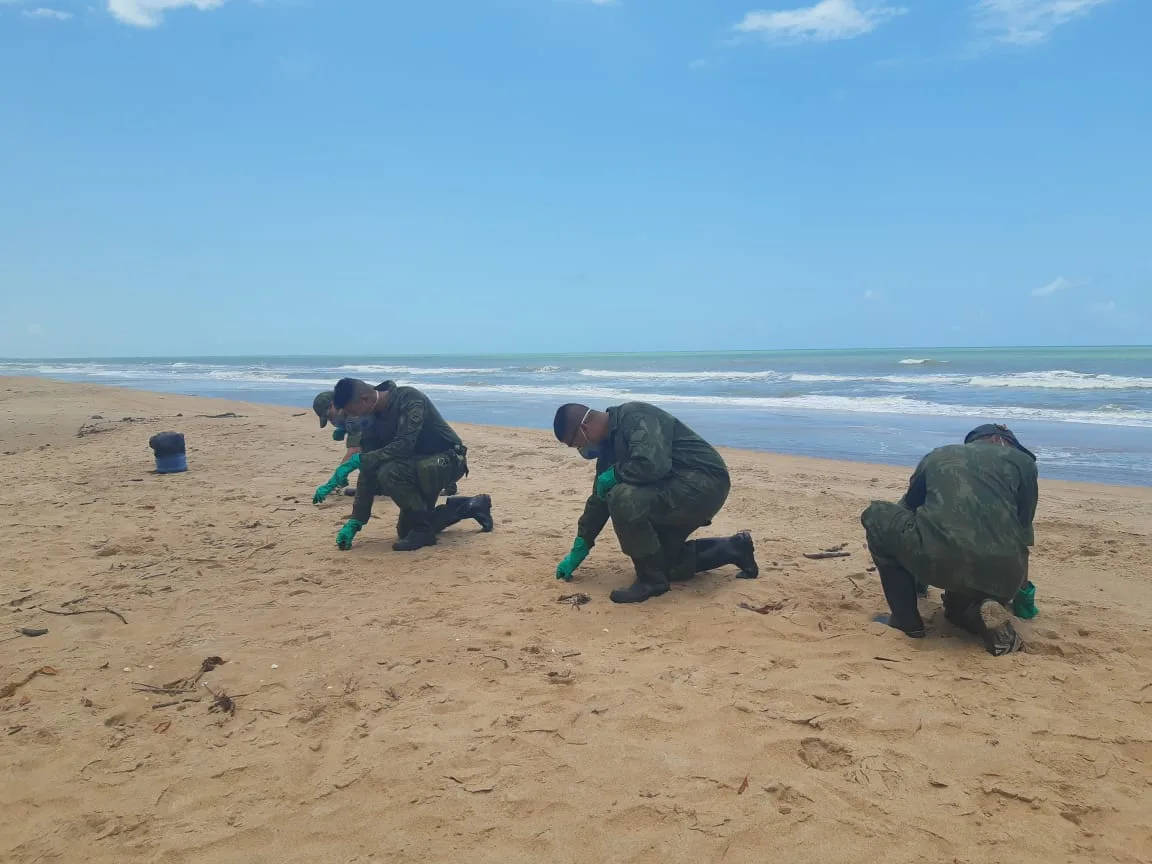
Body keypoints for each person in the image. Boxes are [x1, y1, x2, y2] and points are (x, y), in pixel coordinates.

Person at [552, 401, 758, 604]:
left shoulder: (635, 416)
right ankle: (734, 548)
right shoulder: (608, 447)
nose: (580, 450)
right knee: (664, 564)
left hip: (703, 482)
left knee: (623, 498)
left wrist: (615, 474)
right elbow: (599, 498)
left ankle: (650, 581)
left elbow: (652, 465)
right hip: (674, 487)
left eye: (576, 443)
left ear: (584, 427)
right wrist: (581, 545)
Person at [860, 423, 1039, 656]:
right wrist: (1020, 590)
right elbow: (1023, 527)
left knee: (878, 515)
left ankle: (907, 622)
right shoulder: (1024, 463)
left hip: (940, 561)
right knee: (955, 612)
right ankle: (981, 614)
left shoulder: (940, 455)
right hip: (1005, 575)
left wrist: (913, 570)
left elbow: (908, 508)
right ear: (1000, 440)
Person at [316, 378, 493, 552]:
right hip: (417, 466)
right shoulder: (371, 419)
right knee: (406, 531)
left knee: (389, 472)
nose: (355, 418)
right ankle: (471, 505)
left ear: (365, 399)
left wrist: (361, 460)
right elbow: (369, 467)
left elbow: (404, 444)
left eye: (354, 412)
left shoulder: (409, 398)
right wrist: (356, 520)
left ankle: (423, 531)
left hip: (447, 459)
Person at [312, 391, 361, 497]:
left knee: (365, 454)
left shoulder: (354, 415)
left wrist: (334, 482)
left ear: (333, 405)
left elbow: (354, 451)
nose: (331, 421)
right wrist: (343, 428)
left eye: (329, 416)